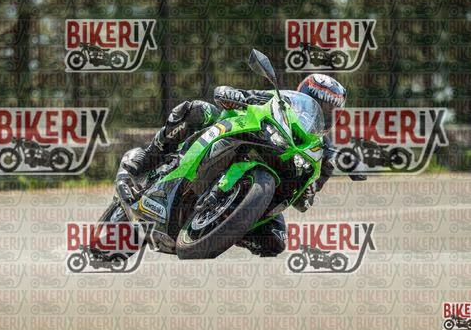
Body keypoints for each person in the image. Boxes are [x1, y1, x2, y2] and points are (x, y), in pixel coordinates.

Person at [121, 74, 347, 257]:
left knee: (276, 242)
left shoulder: (322, 152)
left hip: (265, 187)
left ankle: (225, 227)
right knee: (198, 110)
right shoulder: (278, 101)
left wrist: (309, 190)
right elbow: (240, 95)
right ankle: (149, 157)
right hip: (240, 138)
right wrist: (232, 94)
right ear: (302, 95)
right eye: (318, 104)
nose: (322, 112)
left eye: (329, 110)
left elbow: (307, 195)